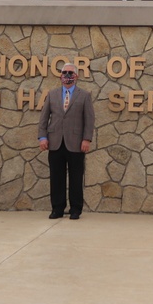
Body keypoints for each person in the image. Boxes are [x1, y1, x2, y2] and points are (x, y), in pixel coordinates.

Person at [37, 63, 95, 219]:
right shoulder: (52, 94)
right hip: (55, 142)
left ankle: (75, 209)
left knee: (76, 177)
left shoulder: (84, 95)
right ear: (60, 75)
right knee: (56, 177)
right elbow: (44, 118)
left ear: (76, 76)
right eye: (64, 72)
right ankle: (57, 208)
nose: (67, 75)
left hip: (76, 143)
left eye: (70, 73)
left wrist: (86, 139)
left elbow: (89, 119)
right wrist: (42, 137)